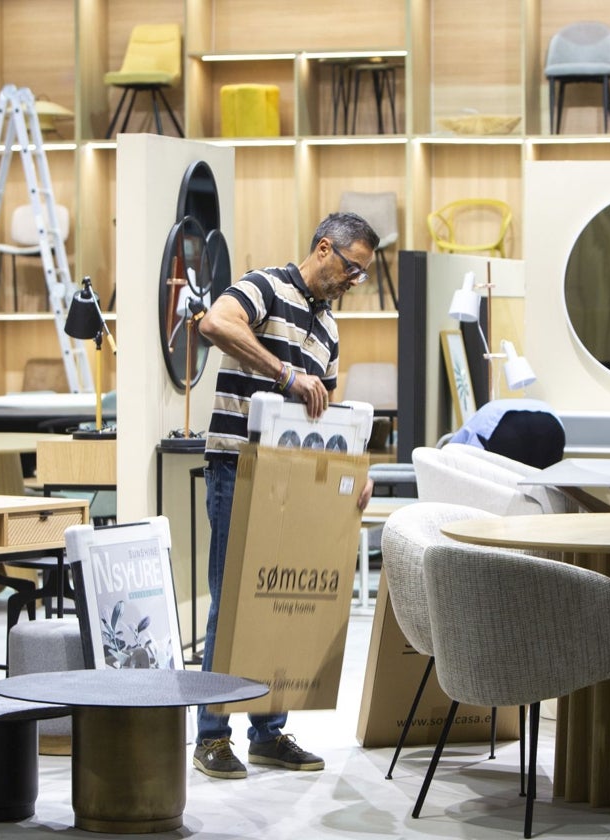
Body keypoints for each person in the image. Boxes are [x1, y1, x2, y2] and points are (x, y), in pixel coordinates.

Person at [192, 212, 378, 779]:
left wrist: (354, 469)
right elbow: (215, 323)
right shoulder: (264, 286)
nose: (354, 281)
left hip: (296, 479)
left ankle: (268, 732)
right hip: (240, 467)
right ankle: (211, 735)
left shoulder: (330, 331)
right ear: (324, 249)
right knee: (231, 605)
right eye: (352, 268)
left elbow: (329, 417)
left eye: (362, 275)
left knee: (280, 604)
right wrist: (284, 375)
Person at [446, 398, 565, 469]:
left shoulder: (454, 448)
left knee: (505, 482)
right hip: (552, 424)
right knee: (543, 482)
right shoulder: (474, 422)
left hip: (504, 425)